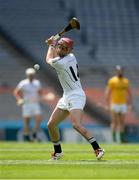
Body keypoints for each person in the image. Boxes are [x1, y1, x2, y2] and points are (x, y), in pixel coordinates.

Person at [45, 36, 104, 160]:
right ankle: (58, 152)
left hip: (76, 95)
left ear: (69, 51)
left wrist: (51, 45)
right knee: (51, 124)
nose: (61, 49)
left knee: (76, 125)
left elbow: (49, 59)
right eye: (60, 46)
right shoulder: (71, 57)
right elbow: (57, 53)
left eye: (64, 48)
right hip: (66, 96)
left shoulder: (60, 63)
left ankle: (98, 149)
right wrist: (54, 43)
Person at [14, 68, 43, 142]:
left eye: (32, 75)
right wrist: (19, 99)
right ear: (27, 75)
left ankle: (34, 132)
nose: (31, 76)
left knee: (38, 119)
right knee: (27, 121)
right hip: (26, 104)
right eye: (30, 75)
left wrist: (40, 98)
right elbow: (16, 92)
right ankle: (27, 136)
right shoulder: (23, 83)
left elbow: (40, 92)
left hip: (35, 103)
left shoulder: (37, 83)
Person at [105, 65, 132, 143]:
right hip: (115, 103)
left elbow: (129, 93)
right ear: (116, 71)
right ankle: (114, 140)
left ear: (123, 71)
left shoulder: (126, 81)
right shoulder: (112, 80)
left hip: (123, 104)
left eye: (121, 70)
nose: (120, 72)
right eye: (118, 70)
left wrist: (129, 104)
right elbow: (107, 92)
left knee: (122, 122)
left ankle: (122, 139)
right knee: (114, 122)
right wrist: (107, 104)